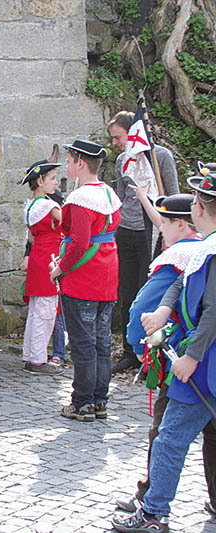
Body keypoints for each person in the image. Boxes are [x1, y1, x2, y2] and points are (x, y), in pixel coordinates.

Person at [112, 162, 216, 533]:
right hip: (203, 360)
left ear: (198, 209)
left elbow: (214, 313)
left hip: (204, 365)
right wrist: (164, 310)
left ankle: (154, 513)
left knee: (170, 438)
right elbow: (183, 282)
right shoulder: (205, 247)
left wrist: (191, 356)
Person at [50, 140, 121, 422]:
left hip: (83, 277)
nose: (68, 166)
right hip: (107, 274)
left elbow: (79, 243)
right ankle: (99, 400)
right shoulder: (108, 194)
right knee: (101, 343)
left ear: (80, 163)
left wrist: (59, 269)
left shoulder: (81, 199)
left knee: (83, 343)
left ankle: (82, 402)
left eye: (70, 161)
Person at [109, 111, 180, 373]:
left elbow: (172, 196)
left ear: (133, 132)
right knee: (127, 292)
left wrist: (168, 234)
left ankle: (151, 353)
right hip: (126, 230)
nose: (115, 142)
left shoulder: (161, 157)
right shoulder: (121, 160)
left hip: (152, 232)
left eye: (118, 137)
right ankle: (130, 352)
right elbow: (120, 196)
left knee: (148, 293)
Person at [20, 160, 64, 376]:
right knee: (46, 311)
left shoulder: (29, 207)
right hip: (49, 258)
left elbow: (31, 237)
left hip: (38, 256)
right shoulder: (49, 206)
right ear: (40, 181)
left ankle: (30, 355)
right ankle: (38, 360)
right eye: (52, 178)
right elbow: (69, 225)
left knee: (37, 310)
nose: (56, 182)